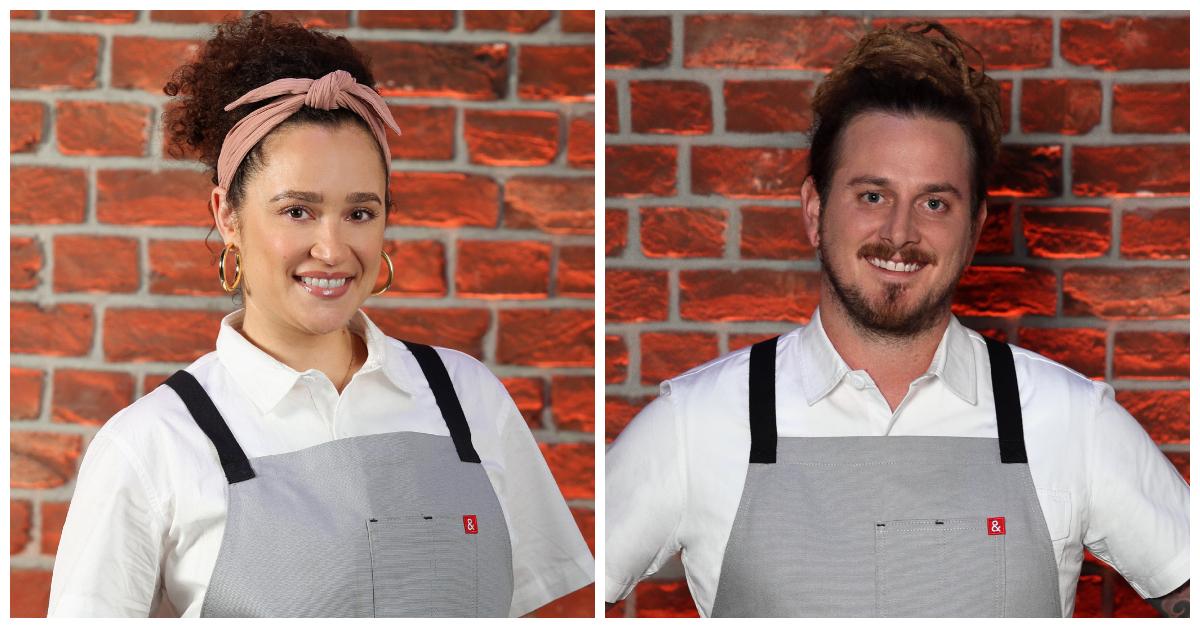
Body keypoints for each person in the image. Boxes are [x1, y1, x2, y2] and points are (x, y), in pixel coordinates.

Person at [605, 22, 1188, 618]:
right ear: (814, 210)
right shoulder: (696, 424)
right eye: (873, 196)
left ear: (976, 227)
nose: (900, 234)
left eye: (935, 203)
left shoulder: (1070, 420)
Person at [48, 13, 593, 617]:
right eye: (298, 211)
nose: (333, 250)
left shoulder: (467, 400)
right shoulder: (151, 446)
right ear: (227, 215)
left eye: (359, 213)